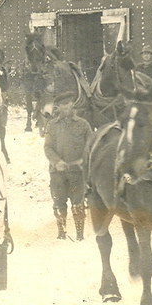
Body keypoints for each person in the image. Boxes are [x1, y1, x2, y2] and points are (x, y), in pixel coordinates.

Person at [43, 99, 93, 241]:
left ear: (72, 105)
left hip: (77, 172)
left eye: (68, 104)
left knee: (78, 203)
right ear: (58, 106)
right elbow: (47, 147)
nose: (65, 107)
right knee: (59, 203)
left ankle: (80, 235)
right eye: (62, 104)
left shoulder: (83, 124)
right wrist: (57, 162)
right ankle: (62, 233)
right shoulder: (52, 125)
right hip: (57, 172)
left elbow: (90, 145)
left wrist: (83, 160)